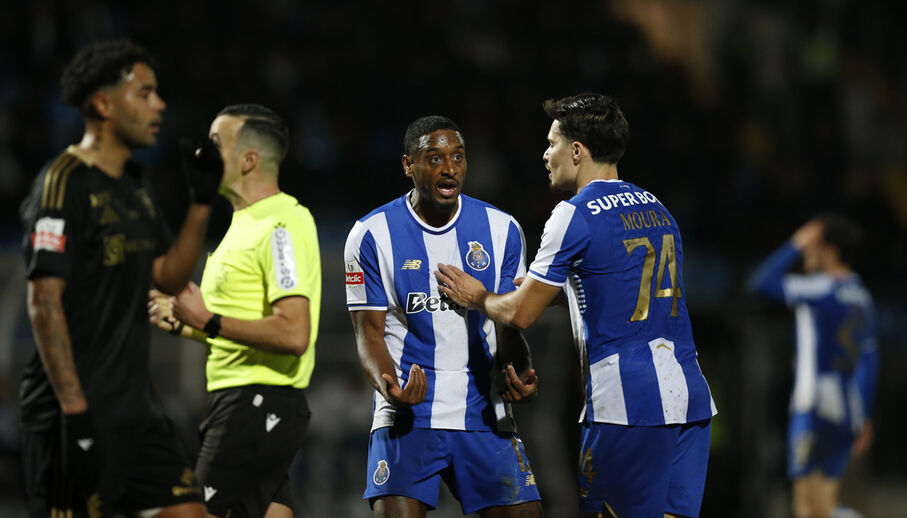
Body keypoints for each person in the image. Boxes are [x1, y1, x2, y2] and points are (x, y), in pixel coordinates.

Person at [436, 93, 717, 518]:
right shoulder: (658, 208)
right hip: (690, 399)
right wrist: (548, 290)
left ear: (577, 151)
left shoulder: (573, 214)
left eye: (552, 143)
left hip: (627, 404)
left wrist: (478, 297)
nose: (545, 154)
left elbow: (520, 314)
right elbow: (623, 287)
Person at [19, 38, 222, 518]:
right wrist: (75, 411)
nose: (160, 104)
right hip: (73, 412)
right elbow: (44, 302)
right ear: (103, 104)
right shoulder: (62, 182)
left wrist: (201, 202)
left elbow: (167, 278)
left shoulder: (134, 185)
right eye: (145, 92)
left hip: (136, 410)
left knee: (188, 512)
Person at [344, 115, 543, 517]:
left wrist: (518, 371)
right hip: (408, 412)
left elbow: (508, 326)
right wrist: (391, 388)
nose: (449, 168)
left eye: (457, 157)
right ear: (408, 165)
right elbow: (369, 334)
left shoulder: (502, 229)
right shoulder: (371, 235)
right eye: (435, 158)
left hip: (482, 410)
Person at [148, 104, 320, 518]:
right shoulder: (241, 225)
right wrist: (185, 322)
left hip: (254, 403)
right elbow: (236, 326)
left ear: (248, 159)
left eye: (214, 145)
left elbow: (294, 333)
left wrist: (207, 320)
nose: (201, 156)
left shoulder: (280, 225)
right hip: (249, 404)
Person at [747, 216, 878, 518]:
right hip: (846, 408)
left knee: (806, 508)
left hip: (812, 405)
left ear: (830, 251)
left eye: (814, 247)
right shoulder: (863, 298)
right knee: (823, 504)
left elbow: (760, 282)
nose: (808, 254)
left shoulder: (820, 290)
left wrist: (796, 243)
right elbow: (869, 360)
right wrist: (863, 415)